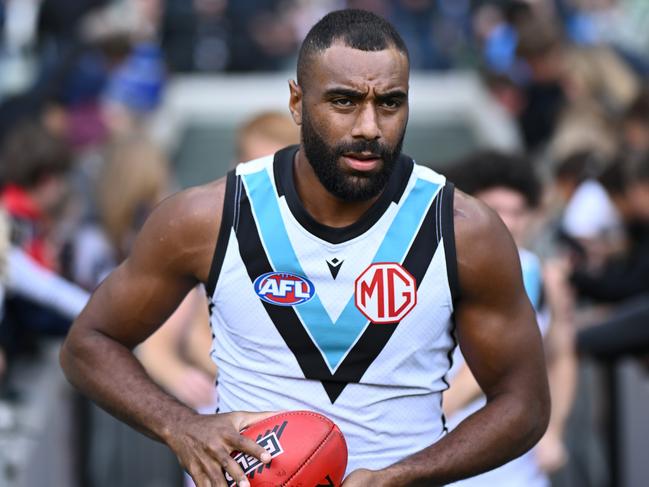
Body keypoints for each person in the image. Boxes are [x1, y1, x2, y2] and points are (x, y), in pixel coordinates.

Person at [60, 9, 550, 487]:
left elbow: (524, 404)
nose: (368, 127)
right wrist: (181, 425)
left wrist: (406, 475)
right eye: (342, 101)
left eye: (390, 103)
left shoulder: (465, 231)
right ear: (297, 102)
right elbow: (89, 344)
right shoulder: (206, 217)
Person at [442, 151, 577, 486]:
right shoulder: (441, 270)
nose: (509, 221)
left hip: (515, 464)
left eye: (517, 211)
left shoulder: (539, 275)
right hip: (450, 454)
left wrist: (554, 432)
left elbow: (560, 357)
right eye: (496, 209)